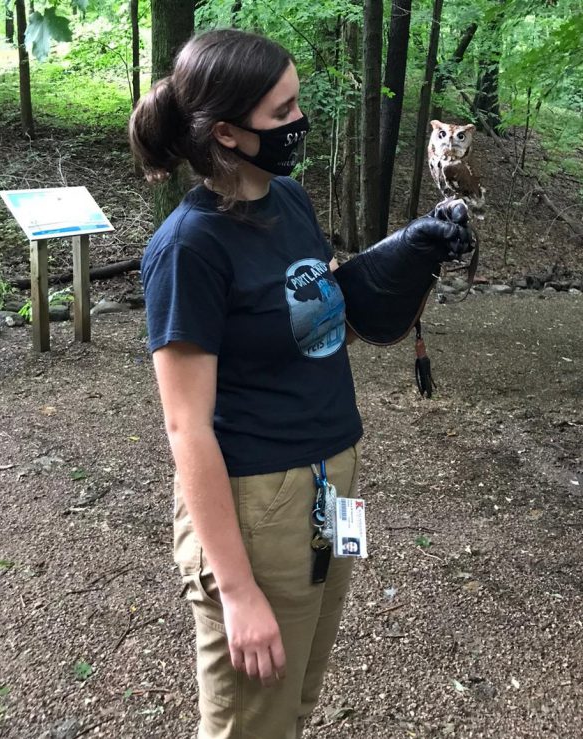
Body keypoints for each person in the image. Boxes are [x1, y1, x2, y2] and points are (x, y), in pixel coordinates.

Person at [129, 28, 472, 739]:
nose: (298, 122)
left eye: (296, 103)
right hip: (258, 506)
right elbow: (185, 427)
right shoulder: (188, 249)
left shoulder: (289, 201)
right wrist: (239, 587)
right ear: (227, 131)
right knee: (249, 725)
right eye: (281, 113)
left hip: (333, 476)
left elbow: (322, 331)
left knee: (295, 705)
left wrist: (403, 260)